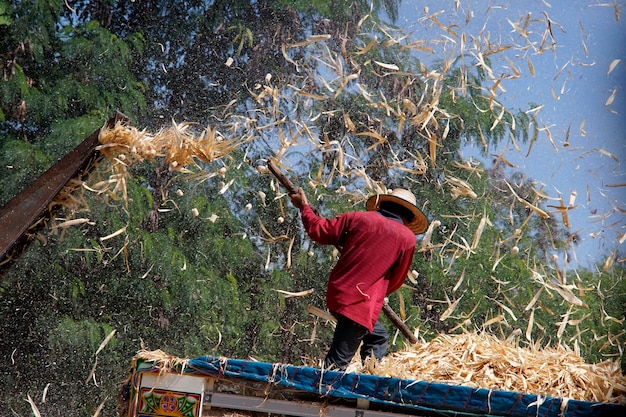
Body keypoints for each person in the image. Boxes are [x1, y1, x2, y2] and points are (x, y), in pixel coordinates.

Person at [289, 187, 428, 371]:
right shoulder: (407, 238)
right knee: (336, 365)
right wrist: (377, 292)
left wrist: (304, 207)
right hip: (360, 304)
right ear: (409, 216)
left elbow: (319, 230)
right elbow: (397, 279)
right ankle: (331, 389)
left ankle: (369, 376)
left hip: (339, 293)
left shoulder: (357, 218)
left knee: (378, 336)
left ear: (383, 203)